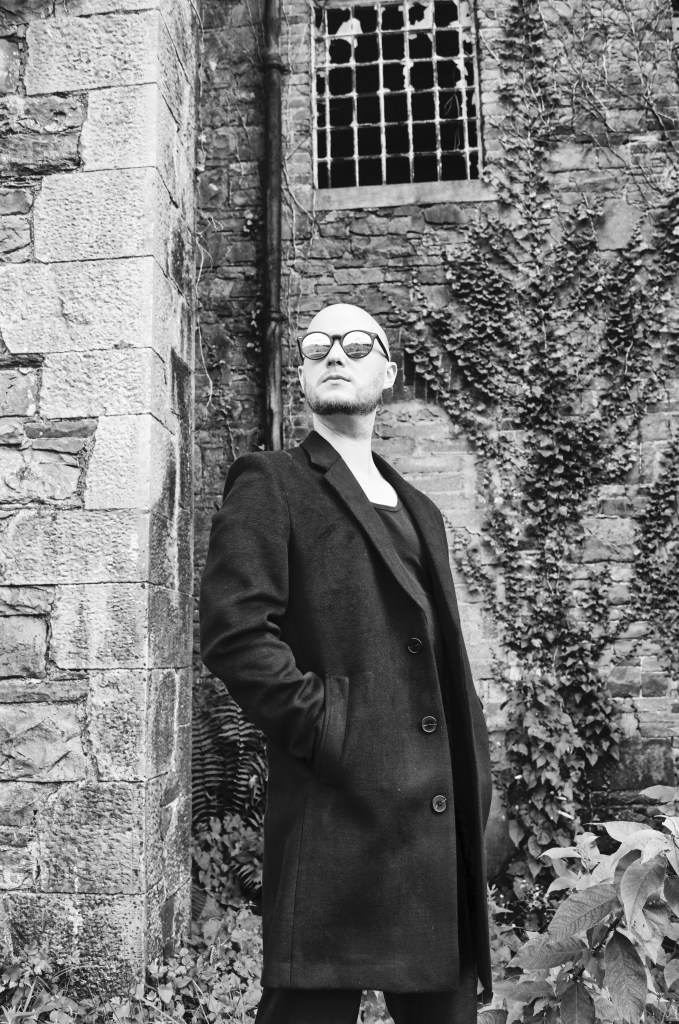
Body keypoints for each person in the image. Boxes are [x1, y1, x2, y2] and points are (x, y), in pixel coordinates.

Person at [200, 303, 493, 1024]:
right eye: (318, 345)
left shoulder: (422, 509)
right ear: (301, 373)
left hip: (432, 831)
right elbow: (235, 633)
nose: (336, 353)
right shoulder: (271, 482)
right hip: (335, 814)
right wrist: (332, 731)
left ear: (386, 373)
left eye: (357, 345)